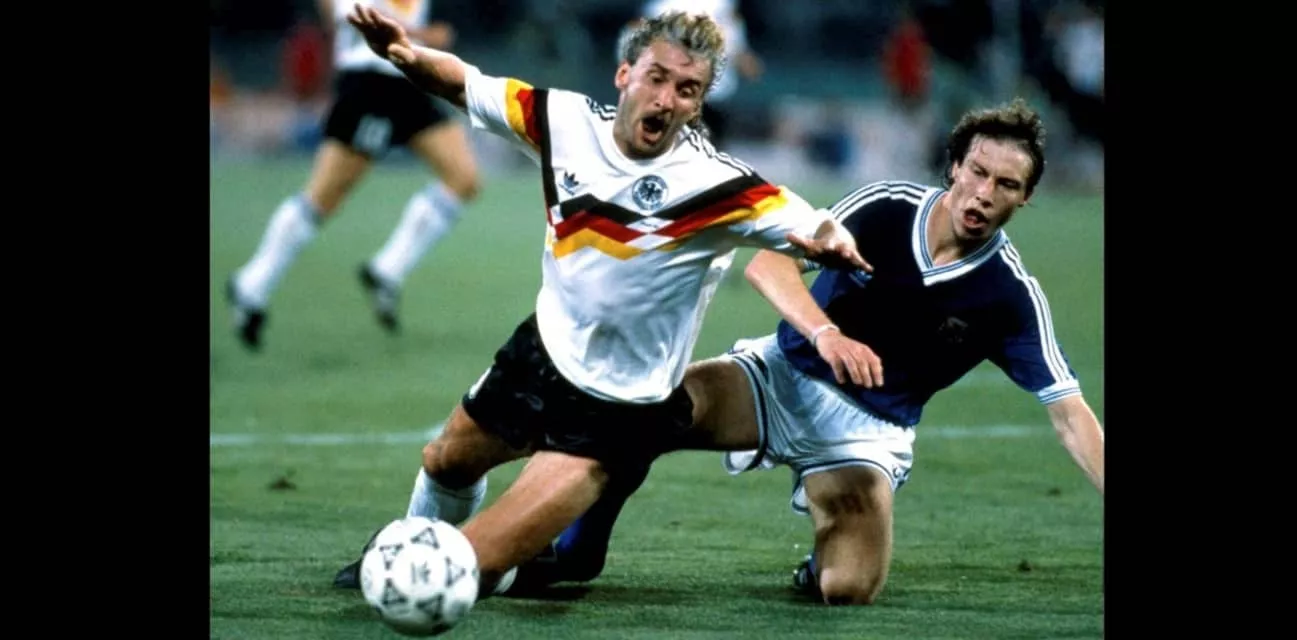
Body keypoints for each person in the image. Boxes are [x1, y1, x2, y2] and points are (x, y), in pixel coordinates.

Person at [330, 5, 872, 598]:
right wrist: (405, 55)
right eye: (657, 78)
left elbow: (812, 222)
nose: (666, 99)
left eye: (686, 90)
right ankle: (410, 549)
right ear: (624, 75)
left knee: (468, 567)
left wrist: (832, 240)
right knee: (444, 463)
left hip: (617, 413)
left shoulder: (720, 186)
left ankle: (491, 564)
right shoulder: (561, 121)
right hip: (541, 354)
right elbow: (465, 83)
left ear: (697, 105)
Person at [500, 98, 1105, 605]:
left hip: (865, 435)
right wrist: (825, 333)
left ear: (1025, 198)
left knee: (849, 589)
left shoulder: (1009, 295)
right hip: (779, 376)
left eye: (1006, 185)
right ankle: (576, 552)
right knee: (640, 413)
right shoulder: (886, 207)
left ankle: (818, 568)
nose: (983, 193)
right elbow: (769, 265)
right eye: (977, 171)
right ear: (954, 167)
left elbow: (1070, 415)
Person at [224, 0, 481, 350]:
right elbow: (344, 12)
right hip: (371, 80)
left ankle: (387, 270)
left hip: (409, 76)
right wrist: (419, 34)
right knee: (324, 196)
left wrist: (424, 37)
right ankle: (252, 283)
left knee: (463, 177)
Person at [618, 0, 763, 150]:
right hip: (673, 98)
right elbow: (635, 39)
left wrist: (743, 57)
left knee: (709, 150)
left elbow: (732, 37)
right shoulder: (662, 7)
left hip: (713, 96)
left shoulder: (723, 5)